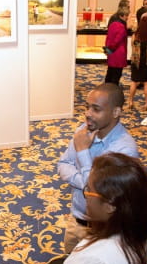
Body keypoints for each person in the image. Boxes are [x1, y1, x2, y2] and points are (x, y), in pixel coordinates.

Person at [58, 83, 139, 254]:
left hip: (104, 230)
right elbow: (63, 164)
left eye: (96, 109)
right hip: (76, 218)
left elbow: (98, 192)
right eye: (87, 107)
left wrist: (82, 151)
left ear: (116, 112)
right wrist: (84, 182)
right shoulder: (83, 130)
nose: (88, 114)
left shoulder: (124, 150)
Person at [128, 16, 147, 113]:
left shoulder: (135, 35)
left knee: (134, 82)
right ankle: (146, 103)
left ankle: (131, 101)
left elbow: (132, 46)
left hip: (136, 62)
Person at [104, 7, 130, 84]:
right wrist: (111, 48)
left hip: (111, 52)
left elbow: (108, 38)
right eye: (126, 15)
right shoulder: (121, 27)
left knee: (110, 72)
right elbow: (116, 41)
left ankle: (106, 89)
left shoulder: (112, 24)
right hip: (118, 53)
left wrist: (107, 50)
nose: (127, 17)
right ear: (122, 15)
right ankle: (113, 92)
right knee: (116, 75)